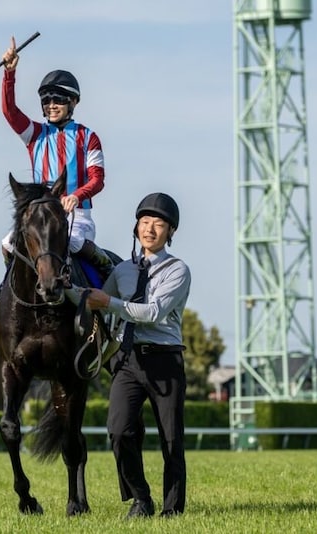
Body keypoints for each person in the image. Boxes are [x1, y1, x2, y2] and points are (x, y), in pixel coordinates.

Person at [85, 192, 191, 518]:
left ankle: (172, 510)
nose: (150, 229)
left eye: (158, 224)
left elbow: (152, 312)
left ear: (170, 232)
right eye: (145, 222)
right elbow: (98, 301)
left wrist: (109, 303)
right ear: (137, 227)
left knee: (171, 441)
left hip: (164, 360)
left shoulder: (178, 271)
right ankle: (141, 498)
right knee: (118, 430)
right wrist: (69, 294)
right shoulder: (123, 271)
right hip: (128, 361)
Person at [0, 36, 112, 277]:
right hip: (41, 212)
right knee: (8, 243)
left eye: (58, 100)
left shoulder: (88, 136)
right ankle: (9, 287)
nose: (51, 105)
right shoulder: (35, 133)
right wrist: (10, 73)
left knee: (73, 244)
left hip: (76, 215)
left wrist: (76, 196)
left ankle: (105, 268)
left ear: (73, 102)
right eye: (47, 100)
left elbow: (97, 179)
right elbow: (10, 111)